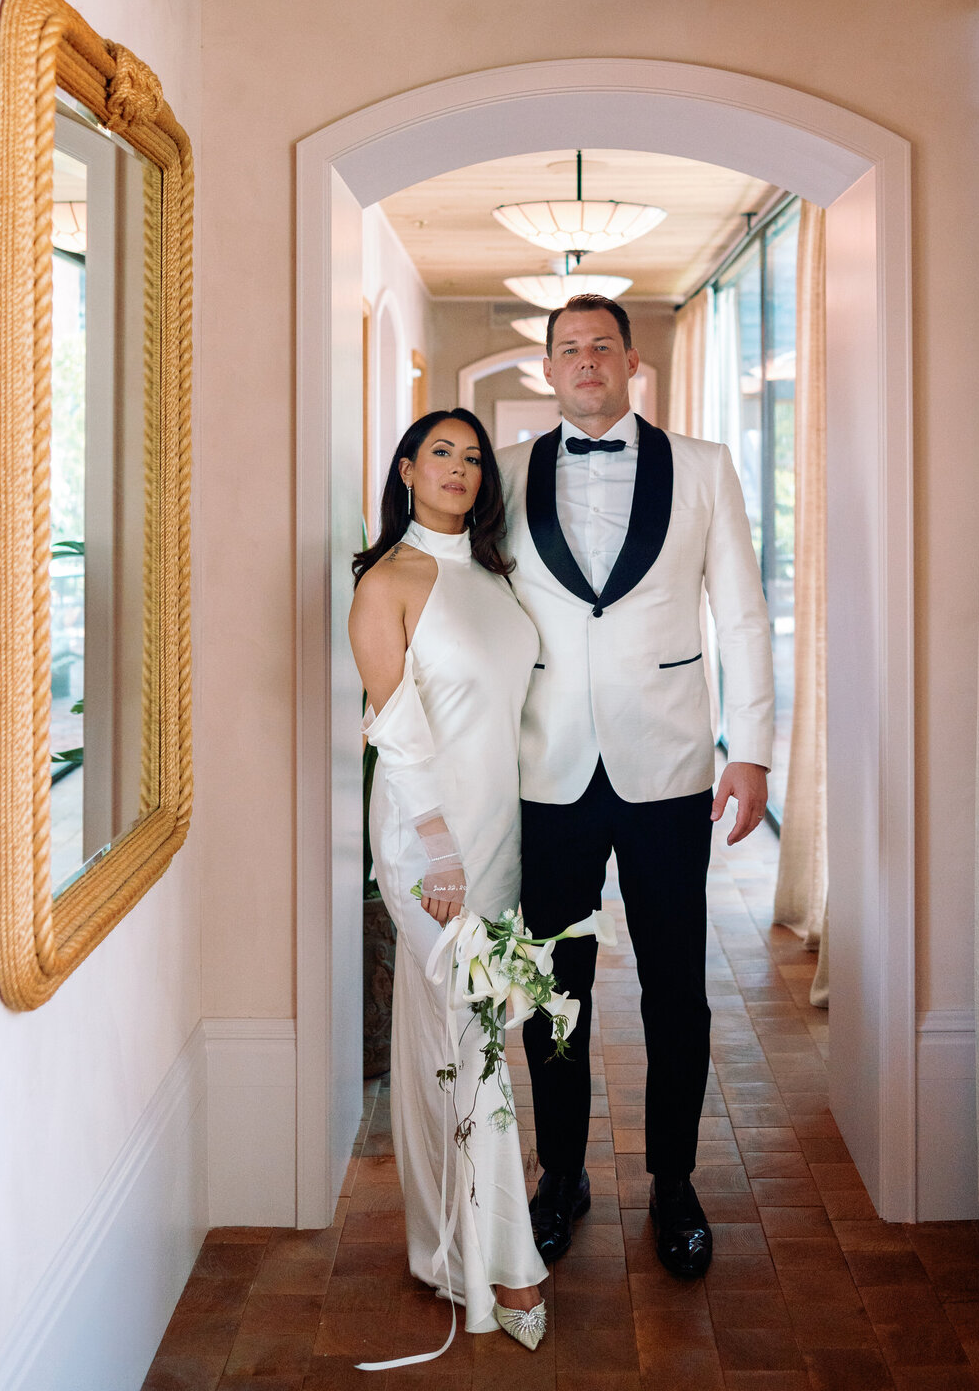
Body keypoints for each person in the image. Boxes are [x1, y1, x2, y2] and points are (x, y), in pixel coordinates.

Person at [498, 294, 775, 1280]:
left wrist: (753, 749)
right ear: (548, 367)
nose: (584, 362)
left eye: (600, 347)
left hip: (669, 770)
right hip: (545, 769)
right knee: (552, 988)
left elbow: (741, 614)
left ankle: (674, 1184)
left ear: (632, 362)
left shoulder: (701, 467)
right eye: (566, 349)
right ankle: (560, 1176)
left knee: (675, 992)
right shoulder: (507, 475)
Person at [348, 409, 548, 1354]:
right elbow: (396, 726)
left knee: (459, 1042)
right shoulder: (387, 581)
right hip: (430, 843)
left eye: (473, 457)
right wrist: (435, 853)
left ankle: (441, 1244)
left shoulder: (498, 580)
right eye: (441, 453)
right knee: (472, 1043)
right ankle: (505, 1262)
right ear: (406, 468)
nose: (460, 469)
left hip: (498, 835)